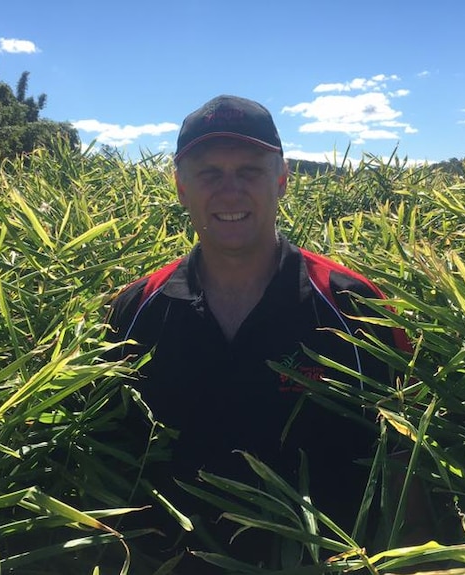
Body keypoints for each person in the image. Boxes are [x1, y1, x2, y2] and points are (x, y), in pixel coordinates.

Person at [105, 95, 415, 569]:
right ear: (181, 187)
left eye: (249, 171)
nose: (230, 192)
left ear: (282, 180)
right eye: (209, 173)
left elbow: (403, 467)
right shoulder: (136, 309)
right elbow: (108, 463)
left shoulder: (353, 306)